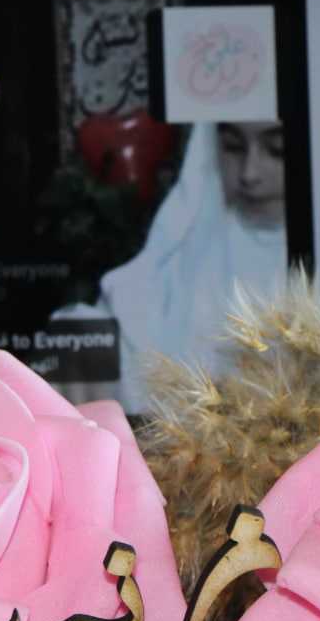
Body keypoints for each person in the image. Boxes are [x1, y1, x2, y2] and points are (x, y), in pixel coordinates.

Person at [56, 120, 289, 412]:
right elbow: (121, 316)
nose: (249, 173)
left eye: (278, 150)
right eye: (233, 147)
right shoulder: (189, 244)